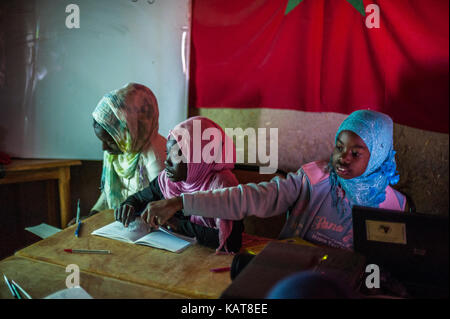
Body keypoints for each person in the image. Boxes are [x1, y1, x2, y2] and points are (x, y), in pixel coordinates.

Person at [140, 110, 407, 250]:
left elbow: (385, 264)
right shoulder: (312, 179)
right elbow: (250, 197)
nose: (343, 158)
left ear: (378, 154)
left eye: (356, 153)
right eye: (339, 147)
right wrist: (181, 203)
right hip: (293, 272)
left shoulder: (394, 206)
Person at [115, 116, 244, 253]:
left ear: (198, 157)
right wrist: (128, 206)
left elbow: (231, 241)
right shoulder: (169, 181)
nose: (167, 162)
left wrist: (175, 224)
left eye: (176, 156)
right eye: (167, 153)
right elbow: (140, 198)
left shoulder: (222, 186)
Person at [69, 83, 166, 225]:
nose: (104, 148)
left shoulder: (155, 155)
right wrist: (92, 215)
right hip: (120, 223)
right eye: (102, 141)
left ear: (129, 131)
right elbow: (109, 190)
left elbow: (160, 202)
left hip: (146, 226)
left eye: (109, 141)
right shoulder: (120, 146)